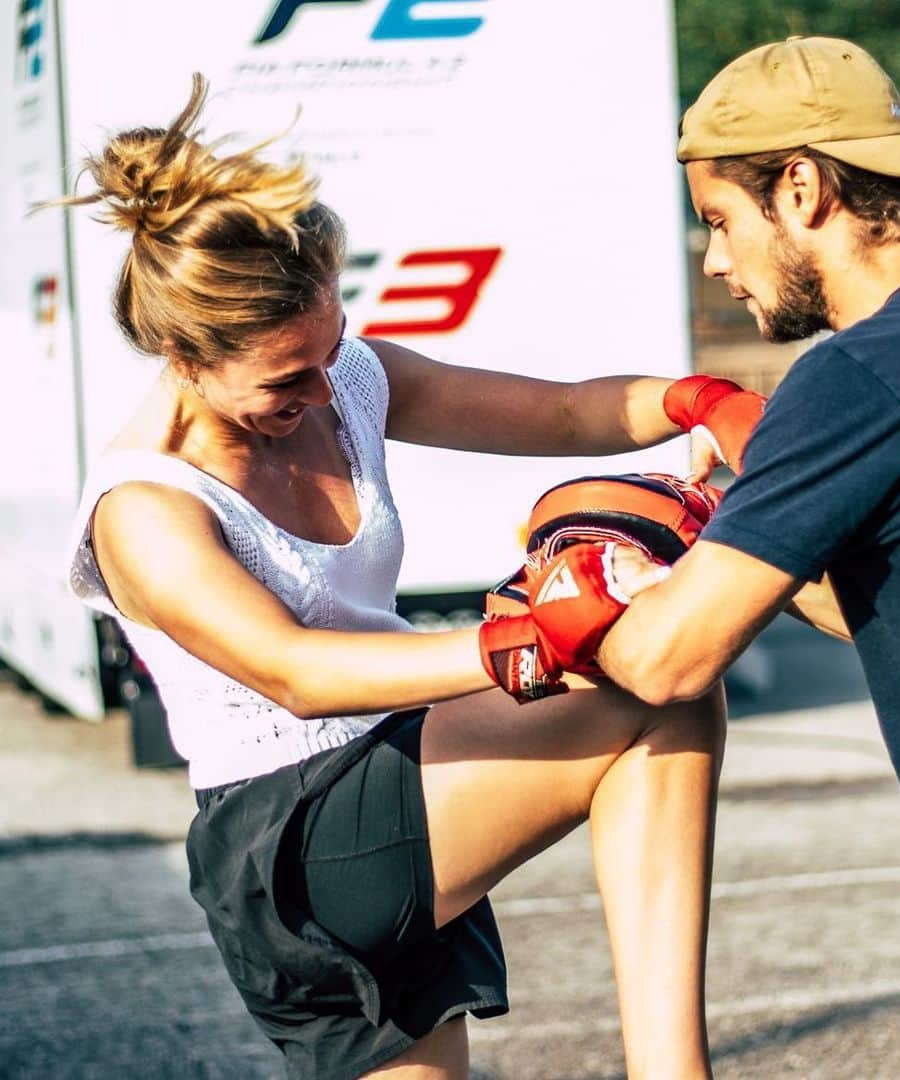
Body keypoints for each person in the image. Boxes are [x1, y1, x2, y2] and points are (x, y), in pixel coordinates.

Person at [56, 75, 753, 1079]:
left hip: (401, 782)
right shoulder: (147, 510)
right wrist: (522, 642)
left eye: (328, 350)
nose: (317, 389)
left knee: (667, 682)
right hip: (290, 842)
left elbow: (558, 416)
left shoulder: (346, 378)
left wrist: (701, 399)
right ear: (182, 356)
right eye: (282, 380)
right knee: (661, 681)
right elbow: (296, 672)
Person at [545, 34, 900, 1079]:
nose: (714, 262)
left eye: (719, 222)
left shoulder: (857, 375)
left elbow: (665, 662)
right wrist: (747, 535)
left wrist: (610, 561)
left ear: (802, 188)